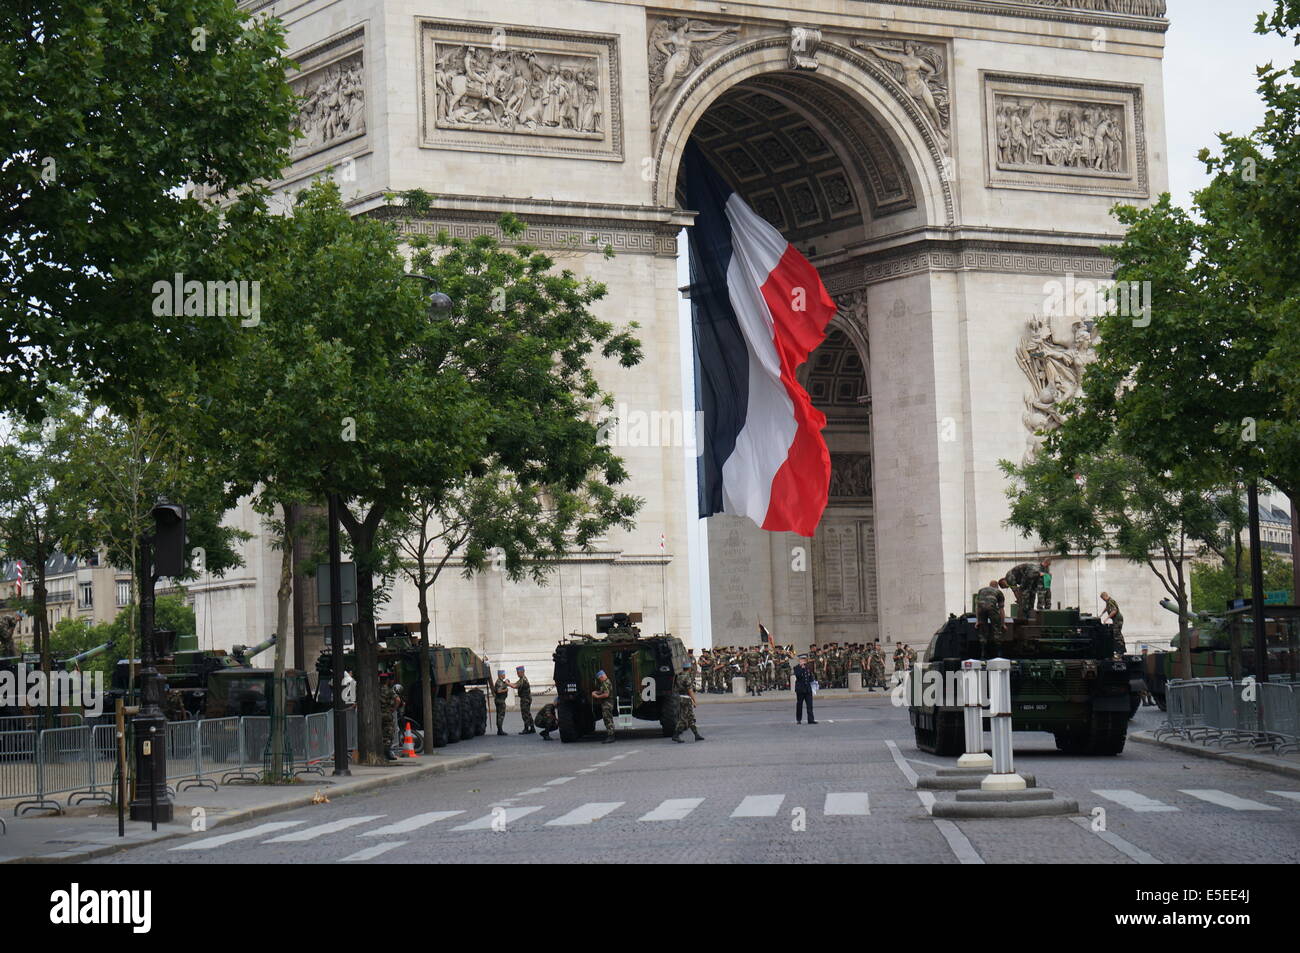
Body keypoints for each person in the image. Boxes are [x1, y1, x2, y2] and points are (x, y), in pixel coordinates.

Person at [672, 660, 704, 743]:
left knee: (690, 717)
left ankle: (696, 735)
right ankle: (676, 735)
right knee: (684, 718)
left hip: (680, 697)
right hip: (686, 699)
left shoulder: (679, 676)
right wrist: (694, 700)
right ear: (689, 668)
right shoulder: (687, 677)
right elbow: (690, 690)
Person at [379, 673, 399, 761]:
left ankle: (381, 753)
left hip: (378, 715)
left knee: (380, 733)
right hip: (387, 714)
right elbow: (397, 700)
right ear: (387, 680)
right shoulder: (389, 690)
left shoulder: (376, 690)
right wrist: (394, 708)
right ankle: (387, 753)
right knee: (389, 733)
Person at [509, 665, 534, 734]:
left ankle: (526, 728)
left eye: (518, 672)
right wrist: (509, 683)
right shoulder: (522, 679)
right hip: (526, 699)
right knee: (528, 713)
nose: (517, 674)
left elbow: (515, 686)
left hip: (525, 699)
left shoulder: (523, 680)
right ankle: (532, 728)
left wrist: (508, 683)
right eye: (517, 672)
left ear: (522, 672)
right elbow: (515, 684)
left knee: (525, 714)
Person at [592, 669, 616, 743]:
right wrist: (597, 692)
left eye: (599, 678)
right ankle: (611, 734)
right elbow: (604, 691)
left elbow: (606, 694)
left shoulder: (605, 683)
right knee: (608, 719)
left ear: (601, 676)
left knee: (608, 719)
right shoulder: (606, 682)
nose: (600, 680)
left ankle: (611, 736)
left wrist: (597, 696)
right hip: (607, 704)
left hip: (607, 704)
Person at [793, 654, 817, 724]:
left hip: (808, 689)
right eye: (802, 660)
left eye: (804, 660)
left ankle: (811, 719)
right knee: (799, 705)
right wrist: (802, 668)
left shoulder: (808, 667)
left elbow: (811, 677)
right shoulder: (796, 668)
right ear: (799, 660)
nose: (803, 661)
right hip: (800, 689)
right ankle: (798, 719)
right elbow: (798, 676)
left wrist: (814, 683)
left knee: (810, 705)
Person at [492, 669, 510, 736]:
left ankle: (499, 729)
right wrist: (506, 689)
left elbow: (502, 686)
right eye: (503, 674)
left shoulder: (500, 681)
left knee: (499, 715)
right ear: (500, 675)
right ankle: (500, 730)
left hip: (500, 700)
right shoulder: (499, 682)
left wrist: (506, 683)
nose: (504, 675)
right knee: (500, 716)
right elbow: (499, 691)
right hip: (500, 701)